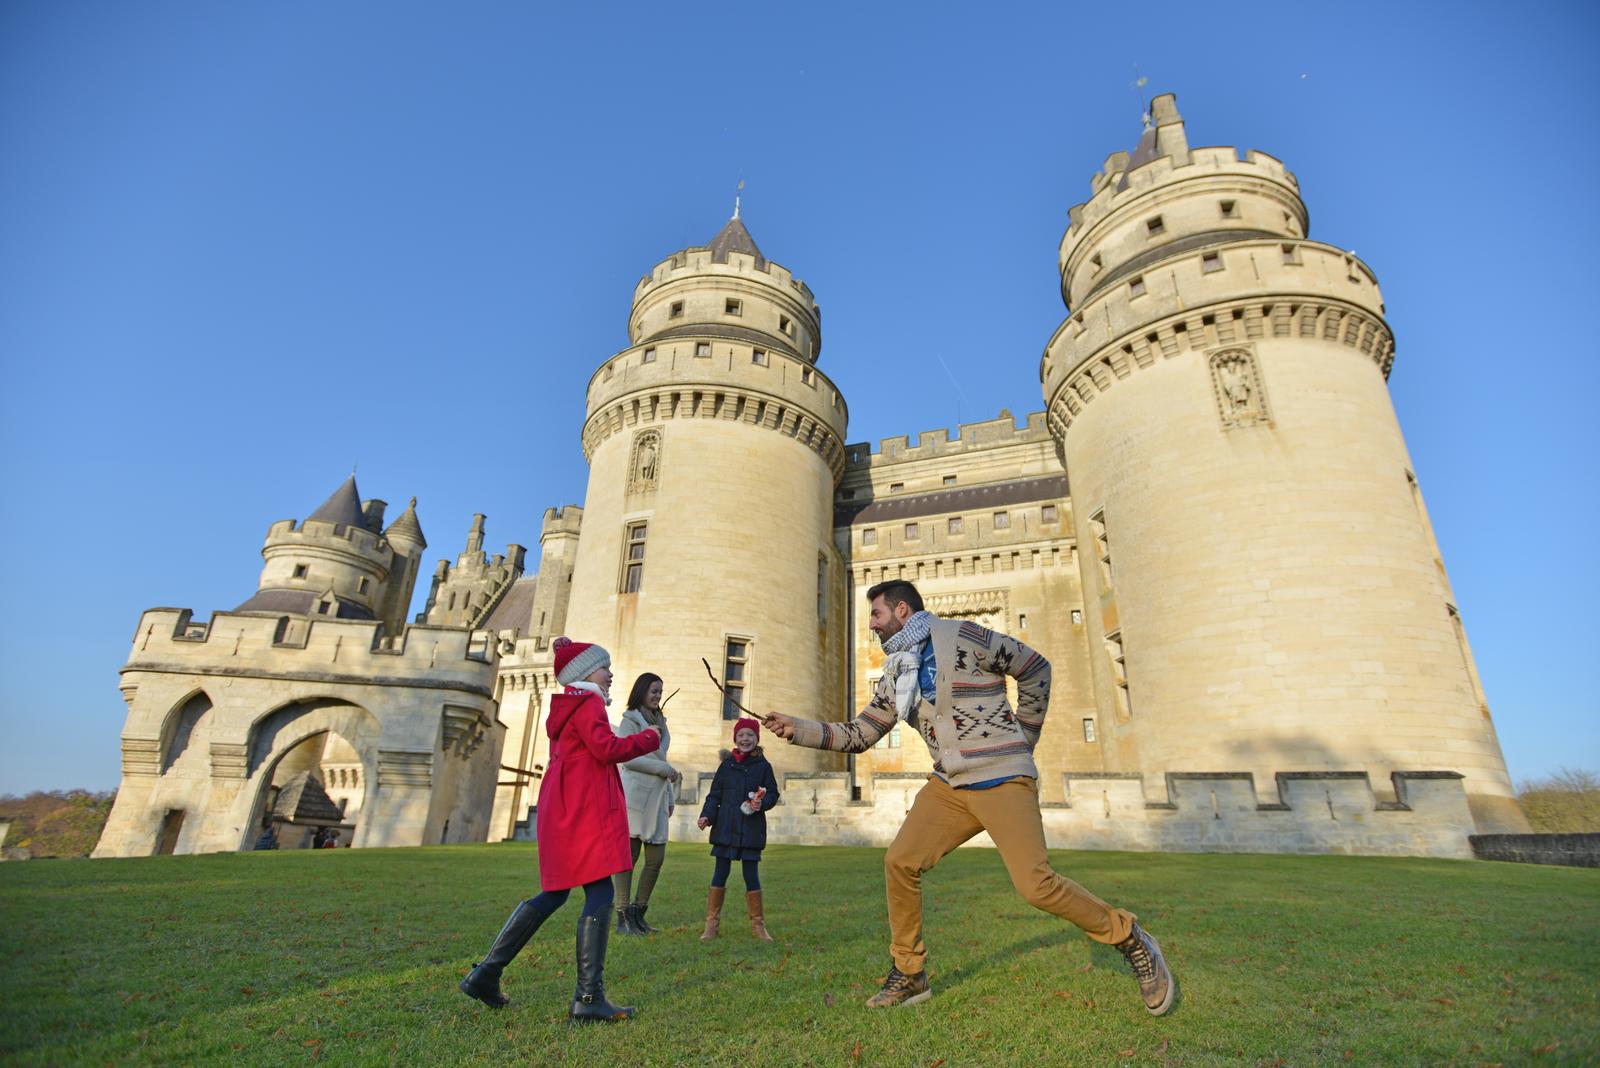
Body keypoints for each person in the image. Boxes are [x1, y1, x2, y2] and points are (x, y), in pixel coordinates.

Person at [764, 581, 1175, 1015]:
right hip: (950, 787)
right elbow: (859, 734)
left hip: (1002, 777)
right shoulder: (896, 674)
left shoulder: (964, 636)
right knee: (900, 861)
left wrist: (1023, 738)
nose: (871, 624)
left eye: (877, 614)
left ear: (902, 610)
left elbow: (1036, 668)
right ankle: (910, 973)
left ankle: (1129, 937)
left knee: (1036, 886)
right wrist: (797, 728)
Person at [459, 636, 660, 1022]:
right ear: (586, 673)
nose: (611, 674)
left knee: (555, 893)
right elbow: (607, 749)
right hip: (582, 807)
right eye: (605, 668)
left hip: (565, 804)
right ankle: (587, 998)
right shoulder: (588, 704)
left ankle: (486, 973)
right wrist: (648, 738)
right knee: (599, 891)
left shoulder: (570, 704)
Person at [696, 717, 780, 942]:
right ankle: (711, 924)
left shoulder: (764, 766)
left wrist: (762, 803)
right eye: (741, 735)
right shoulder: (726, 766)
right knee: (719, 873)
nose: (745, 739)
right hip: (725, 827)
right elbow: (715, 795)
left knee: (751, 875)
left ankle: (758, 926)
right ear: (735, 738)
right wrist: (707, 815)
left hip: (751, 830)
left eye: (750, 735)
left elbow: (772, 793)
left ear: (757, 739)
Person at [612, 673, 680, 936]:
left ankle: (639, 913)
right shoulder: (630, 720)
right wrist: (663, 769)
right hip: (636, 797)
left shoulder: (661, 722)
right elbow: (627, 758)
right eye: (654, 690)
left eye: (660, 691)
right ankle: (623, 917)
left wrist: (671, 796)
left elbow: (664, 757)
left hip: (659, 797)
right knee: (628, 858)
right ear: (641, 691)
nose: (658, 696)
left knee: (656, 859)